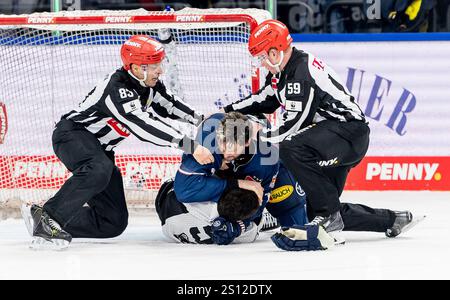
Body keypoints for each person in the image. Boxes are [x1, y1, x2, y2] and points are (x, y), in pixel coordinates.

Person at [23, 35, 213, 250]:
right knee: (99, 169)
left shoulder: (149, 84)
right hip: (72, 136)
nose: (159, 71)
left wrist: (201, 119)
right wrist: (190, 145)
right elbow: (142, 125)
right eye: (153, 66)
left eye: (159, 64)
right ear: (136, 67)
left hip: (100, 150)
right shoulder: (116, 88)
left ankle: (40, 216)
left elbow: (169, 105)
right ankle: (47, 217)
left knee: (112, 222)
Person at [222, 19, 371, 236]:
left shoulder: (301, 74)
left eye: (262, 57)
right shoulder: (283, 71)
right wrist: (228, 110)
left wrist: (257, 135)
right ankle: (391, 220)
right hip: (333, 137)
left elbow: (293, 125)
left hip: (347, 134)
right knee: (316, 211)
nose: (261, 63)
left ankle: (330, 215)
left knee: (290, 148)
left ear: (274, 53)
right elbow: (265, 99)